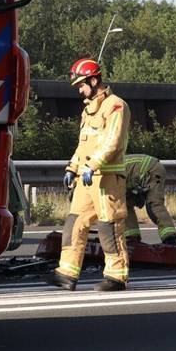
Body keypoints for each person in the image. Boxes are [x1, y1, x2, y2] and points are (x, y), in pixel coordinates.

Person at [45, 58, 132, 292]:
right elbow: (83, 144)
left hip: (107, 178)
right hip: (86, 177)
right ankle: (67, 273)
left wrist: (93, 165)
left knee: (109, 227)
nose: (80, 90)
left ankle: (116, 276)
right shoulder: (88, 110)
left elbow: (112, 142)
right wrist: (72, 167)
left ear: (94, 80)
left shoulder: (115, 105)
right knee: (75, 223)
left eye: (82, 85)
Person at [122, 154, 176, 246]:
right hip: (139, 175)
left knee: (154, 205)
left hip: (152, 170)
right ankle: (132, 238)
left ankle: (170, 239)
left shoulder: (106, 174)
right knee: (124, 205)